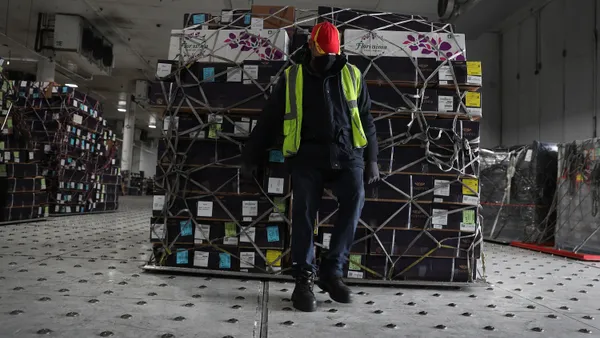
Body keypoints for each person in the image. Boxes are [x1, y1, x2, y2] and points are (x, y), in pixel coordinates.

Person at [241, 21, 379, 312]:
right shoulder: (292, 77)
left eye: (332, 54)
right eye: (323, 54)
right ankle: (303, 278)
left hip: (347, 154)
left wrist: (373, 160)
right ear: (311, 47)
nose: (328, 60)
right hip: (306, 155)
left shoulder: (352, 74)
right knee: (304, 212)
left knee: (355, 198)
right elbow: (270, 119)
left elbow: (366, 119)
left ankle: (332, 271)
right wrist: (252, 155)